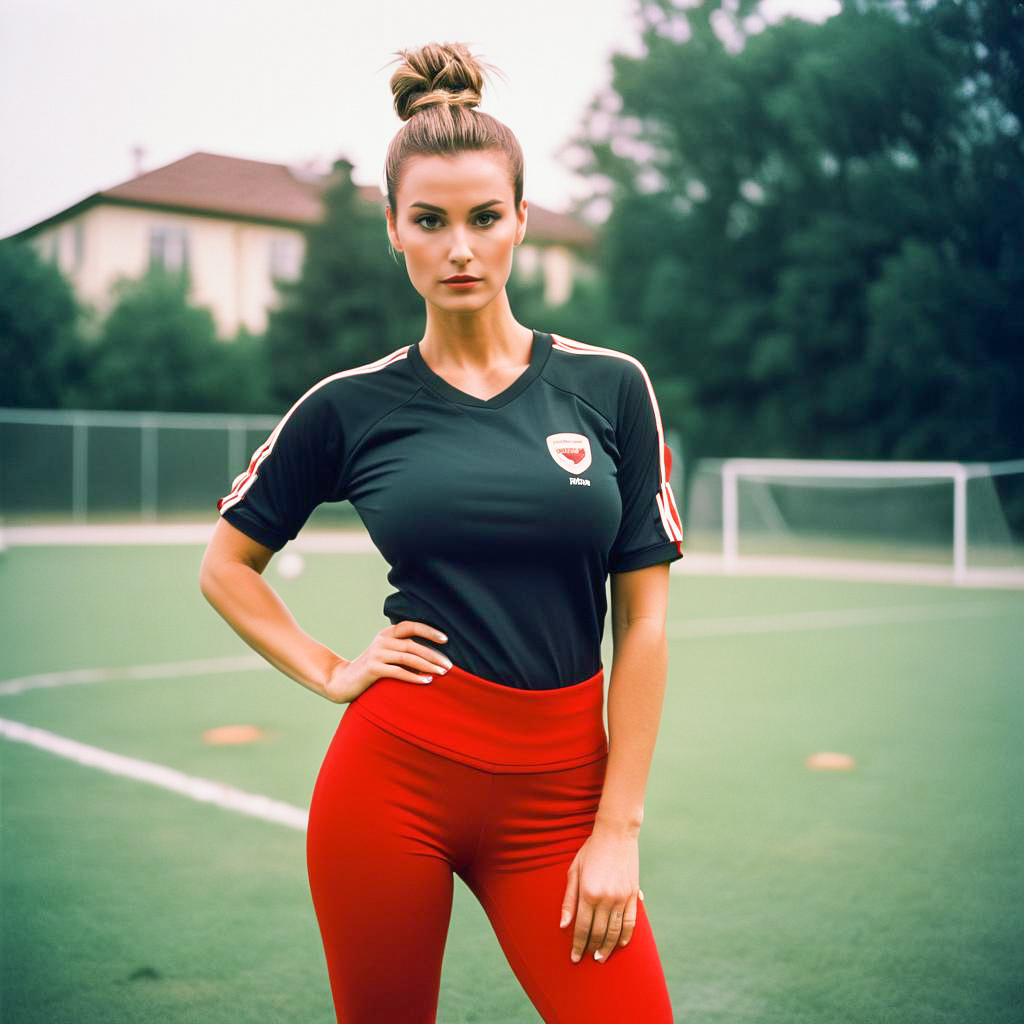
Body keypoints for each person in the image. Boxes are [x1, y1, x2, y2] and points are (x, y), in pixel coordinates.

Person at [199, 40, 684, 1024]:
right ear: (393, 230)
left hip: (561, 796)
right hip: (395, 780)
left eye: (481, 218)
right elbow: (227, 565)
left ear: (518, 223)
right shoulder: (348, 405)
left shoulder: (610, 387)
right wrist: (331, 667)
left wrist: (617, 828)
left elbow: (642, 625)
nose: (458, 247)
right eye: (429, 221)